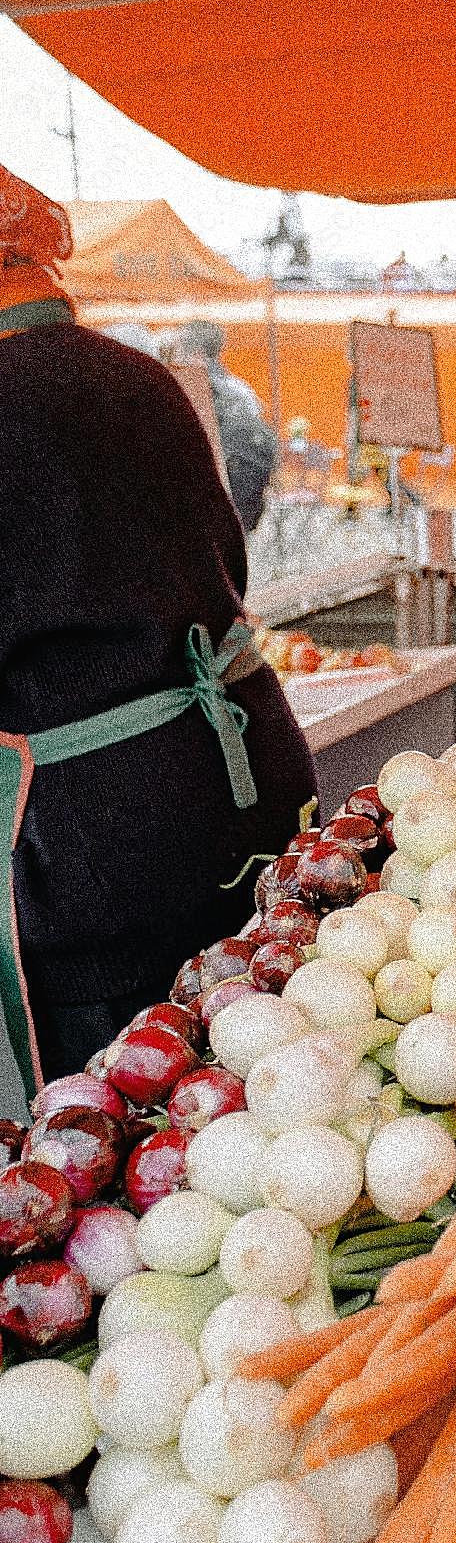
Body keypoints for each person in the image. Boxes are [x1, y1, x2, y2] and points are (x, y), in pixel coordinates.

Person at [0, 168, 318, 1095]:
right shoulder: (144, 377)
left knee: (121, 1126)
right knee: (246, 1087)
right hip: (241, 783)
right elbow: (226, 564)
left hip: (103, 845)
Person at [173, 319, 276, 533]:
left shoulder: (190, 391)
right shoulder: (243, 390)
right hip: (243, 499)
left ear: (198, 355)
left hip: (209, 498)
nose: (175, 358)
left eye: (179, 351)